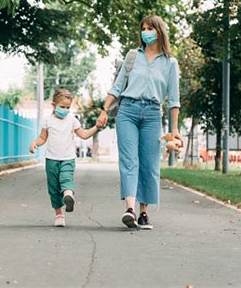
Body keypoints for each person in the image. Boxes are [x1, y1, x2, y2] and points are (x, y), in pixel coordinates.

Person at [97, 15, 182, 230]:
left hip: (153, 114)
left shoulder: (170, 63)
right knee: (129, 161)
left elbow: (173, 100)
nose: (146, 32)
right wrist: (104, 109)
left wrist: (174, 130)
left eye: (150, 28)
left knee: (149, 164)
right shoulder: (133, 56)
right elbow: (117, 87)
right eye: (143, 28)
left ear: (159, 31)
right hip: (128, 111)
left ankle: (144, 213)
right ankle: (130, 209)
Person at [29, 88, 100, 227]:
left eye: (68, 107)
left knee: (66, 178)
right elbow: (42, 138)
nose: (65, 110)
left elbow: (84, 135)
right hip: (51, 159)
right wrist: (34, 144)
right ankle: (59, 215)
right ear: (54, 105)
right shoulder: (48, 121)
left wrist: (96, 127)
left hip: (68, 158)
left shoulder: (72, 120)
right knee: (54, 189)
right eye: (62, 107)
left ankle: (68, 195)